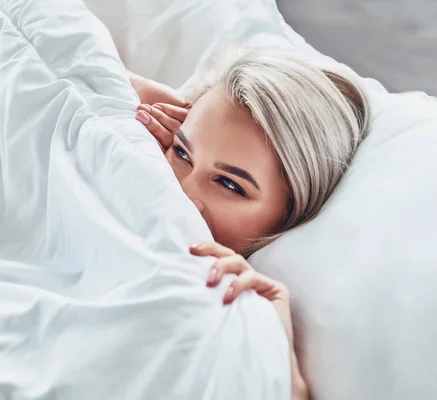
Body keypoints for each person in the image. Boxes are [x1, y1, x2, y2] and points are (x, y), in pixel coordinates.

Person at [129, 48, 370, 400]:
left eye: (229, 184)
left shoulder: (247, 315)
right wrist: (121, 92)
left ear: (289, 216)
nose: (181, 193)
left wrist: (283, 368)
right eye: (181, 152)